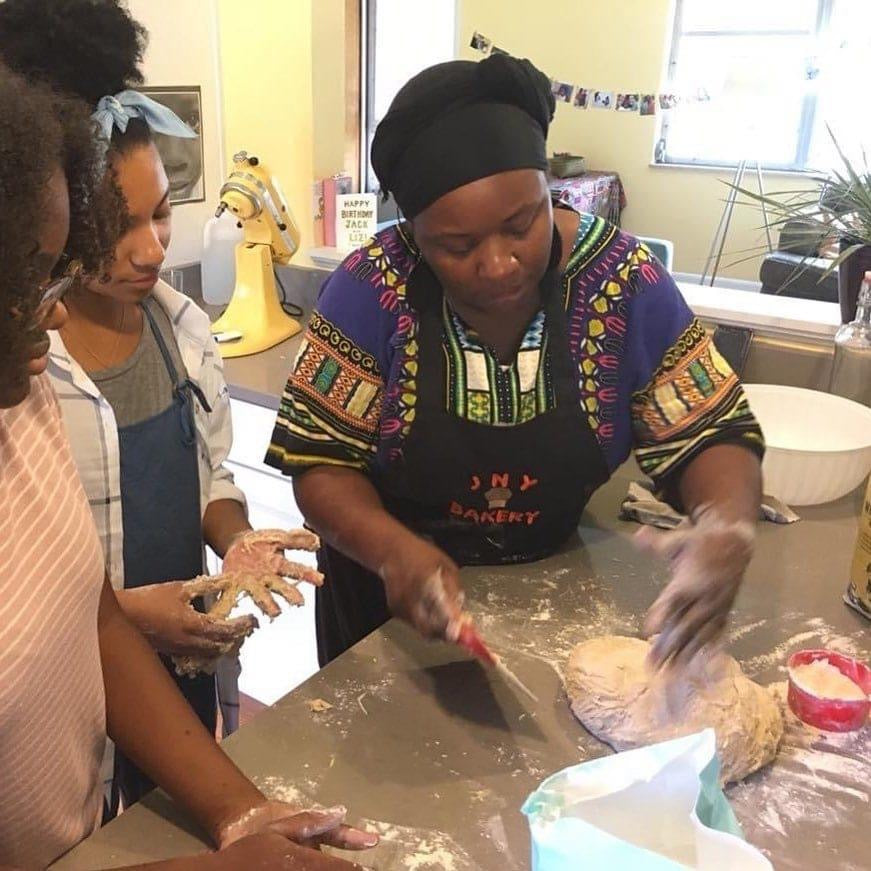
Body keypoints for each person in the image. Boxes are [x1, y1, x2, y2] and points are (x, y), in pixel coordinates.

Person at [266, 55, 764, 671]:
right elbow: (319, 461)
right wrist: (392, 551)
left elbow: (708, 429)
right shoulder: (371, 286)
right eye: (458, 246)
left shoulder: (623, 281)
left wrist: (725, 526)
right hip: (384, 611)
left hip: (557, 599)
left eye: (522, 223)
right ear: (415, 234)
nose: (499, 265)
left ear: (547, 190)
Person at [0, 64, 375, 871]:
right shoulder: (42, 370)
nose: (51, 310)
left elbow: (91, 617)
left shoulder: (21, 398)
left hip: (96, 799)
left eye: (162, 213)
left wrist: (237, 809)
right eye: (26, 276)